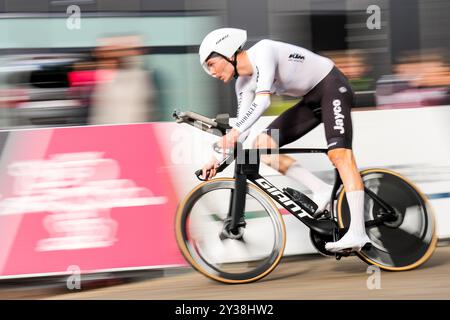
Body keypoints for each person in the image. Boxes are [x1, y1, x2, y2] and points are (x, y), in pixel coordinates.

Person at [198, 28, 371, 253]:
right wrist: (215, 159)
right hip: (310, 101)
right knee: (263, 146)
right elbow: (243, 129)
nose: (211, 72)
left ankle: (358, 233)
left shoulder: (264, 51)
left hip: (332, 87)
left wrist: (234, 132)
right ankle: (321, 190)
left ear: (226, 52)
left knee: (340, 155)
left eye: (211, 64)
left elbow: (262, 103)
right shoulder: (242, 85)